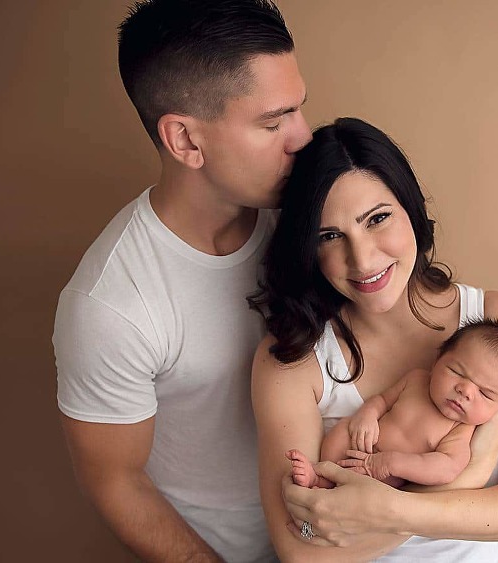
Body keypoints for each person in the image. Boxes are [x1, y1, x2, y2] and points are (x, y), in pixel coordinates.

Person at [53, 1, 311, 561]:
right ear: (185, 141)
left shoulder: (314, 219)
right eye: (273, 122)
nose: (303, 138)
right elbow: (115, 480)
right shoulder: (111, 303)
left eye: (298, 111)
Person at [250, 117, 498, 562]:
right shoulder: (292, 358)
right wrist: (466, 478)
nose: (362, 259)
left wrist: (389, 508)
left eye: (377, 219)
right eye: (330, 236)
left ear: (411, 208)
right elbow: (302, 553)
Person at [288, 318, 498, 490]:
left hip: (386, 475)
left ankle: (329, 489)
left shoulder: (460, 430)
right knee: (344, 430)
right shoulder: (416, 380)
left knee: (380, 490)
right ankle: (319, 476)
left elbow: (447, 468)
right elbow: (382, 400)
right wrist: (368, 415)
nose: (465, 391)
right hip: (361, 445)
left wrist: (392, 463)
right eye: (457, 371)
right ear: (438, 360)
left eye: (485, 394)